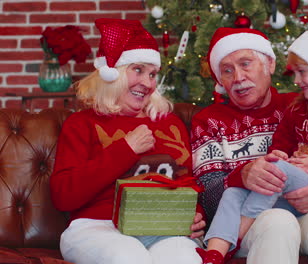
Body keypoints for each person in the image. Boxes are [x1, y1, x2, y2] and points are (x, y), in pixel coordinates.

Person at [191, 26, 308, 264]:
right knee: (278, 221)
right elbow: (207, 195)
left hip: (306, 210)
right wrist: (243, 175)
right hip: (252, 224)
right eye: (227, 71)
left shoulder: (301, 104)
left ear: (269, 64)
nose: (238, 78)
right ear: (220, 81)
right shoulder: (208, 121)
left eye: (245, 64)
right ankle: (219, 250)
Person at [49, 18, 205, 264]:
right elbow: (63, 195)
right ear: (114, 73)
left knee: (186, 259)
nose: (147, 83)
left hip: (162, 229)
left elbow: (187, 183)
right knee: (128, 257)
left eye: (153, 74)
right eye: (138, 70)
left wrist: (195, 216)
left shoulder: (170, 124)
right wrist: (126, 149)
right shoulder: (82, 123)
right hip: (96, 227)